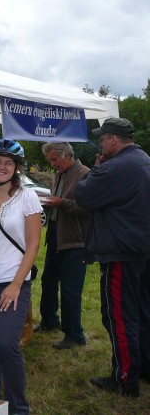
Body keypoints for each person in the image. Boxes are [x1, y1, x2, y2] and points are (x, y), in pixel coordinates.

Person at [74, 118, 150, 398]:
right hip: (141, 248)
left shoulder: (115, 167)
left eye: (103, 139)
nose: (101, 143)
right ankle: (144, 368)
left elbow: (83, 195)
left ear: (114, 139)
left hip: (121, 251)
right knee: (143, 313)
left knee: (120, 316)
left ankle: (125, 379)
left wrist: (97, 168)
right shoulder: (143, 159)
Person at [0, 139, 42, 415]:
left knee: (6, 343)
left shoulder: (28, 197)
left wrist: (15, 285)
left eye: (9, 163)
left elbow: (34, 245)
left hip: (11, 281)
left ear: (16, 168)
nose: (2, 167)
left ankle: (18, 408)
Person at [36, 142, 89, 350]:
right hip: (56, 234)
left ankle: (74, 334)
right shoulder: (59, 175)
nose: (52, 164)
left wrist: (62, 203)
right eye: (50, 160)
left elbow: (89, 208)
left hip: (75, 240)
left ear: (66, 154)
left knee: (70, 288)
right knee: (48, 280)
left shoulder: (85, 174)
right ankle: (49, 320)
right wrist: (46, 204)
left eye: (54, 159)